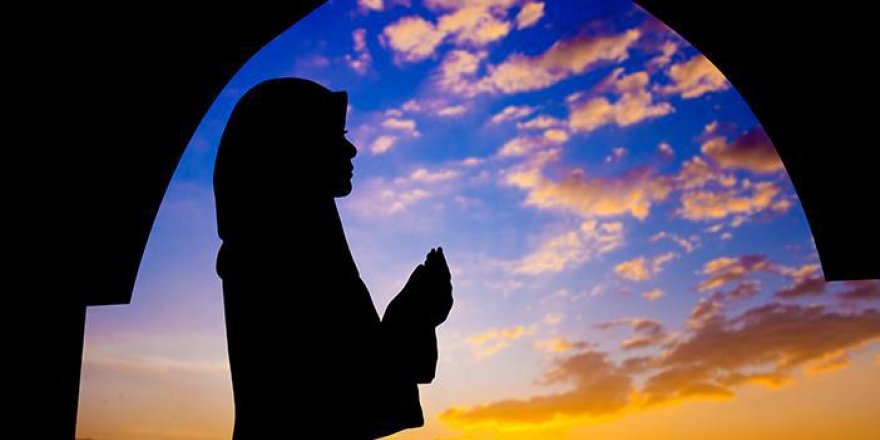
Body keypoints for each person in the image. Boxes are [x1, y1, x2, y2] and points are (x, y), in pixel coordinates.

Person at [213, 77, 453, 439]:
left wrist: (415, 314)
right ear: (294, 146)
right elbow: (342, 392)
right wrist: (414, 314)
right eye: (336, 135)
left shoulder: (288, 246)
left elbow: (349, 378)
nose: (351, 149)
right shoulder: (277, 254)